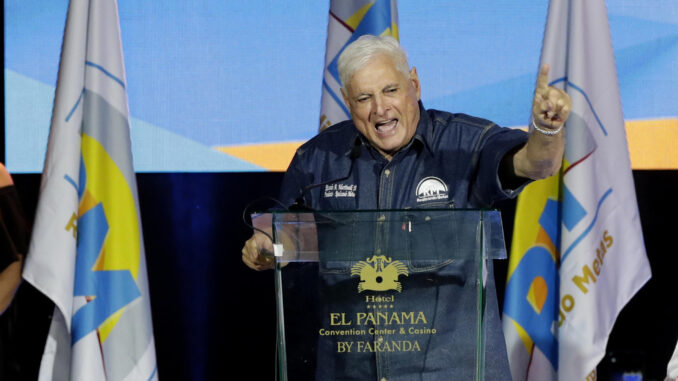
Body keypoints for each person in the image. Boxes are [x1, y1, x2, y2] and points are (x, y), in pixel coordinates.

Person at [241, 35, 570, 379]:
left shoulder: (465, 142)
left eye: (390, 90)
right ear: (346, 101)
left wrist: (547, 130)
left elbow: (536, 164)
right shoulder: (317, 158)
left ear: (414, 83)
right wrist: (270, 243)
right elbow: (290, 232)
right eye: (364, 98)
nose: (380, 109)